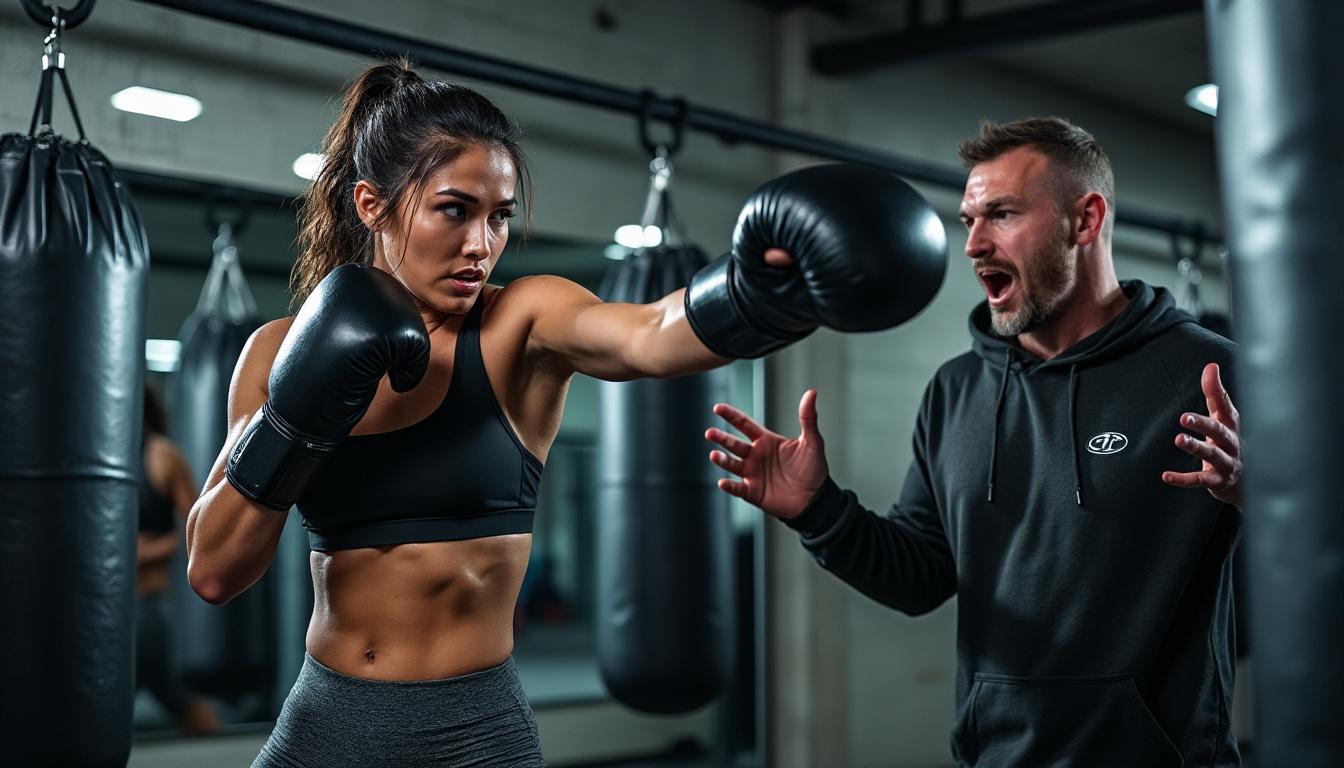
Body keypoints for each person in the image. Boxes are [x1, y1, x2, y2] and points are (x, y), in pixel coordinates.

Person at [183, 60, 944, 768]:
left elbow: (648, 336)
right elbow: (215, 571)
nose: (481, 245)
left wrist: (756, 294)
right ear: (371, 204)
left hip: (478, 731)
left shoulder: (520, 324)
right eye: (454, 210)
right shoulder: (279, 353)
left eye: (499, 216)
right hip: (328, 723)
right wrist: (298, 414)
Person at [707, 117, 1243, 767]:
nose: (974, 244)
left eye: (1003, 214)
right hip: (991, 756)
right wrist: (817, 511)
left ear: (1086, 219)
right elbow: (921, 578)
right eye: (968, 220)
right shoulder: (956, 390)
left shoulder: (1209, 374)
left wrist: (1259, 494)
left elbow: (1310, 564)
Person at [135, 385, 220, 735]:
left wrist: (139, 554)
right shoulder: (94, 458)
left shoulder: (162, 456)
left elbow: (198, 531)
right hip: (99, 608)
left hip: (146, 609)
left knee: (178, 698)